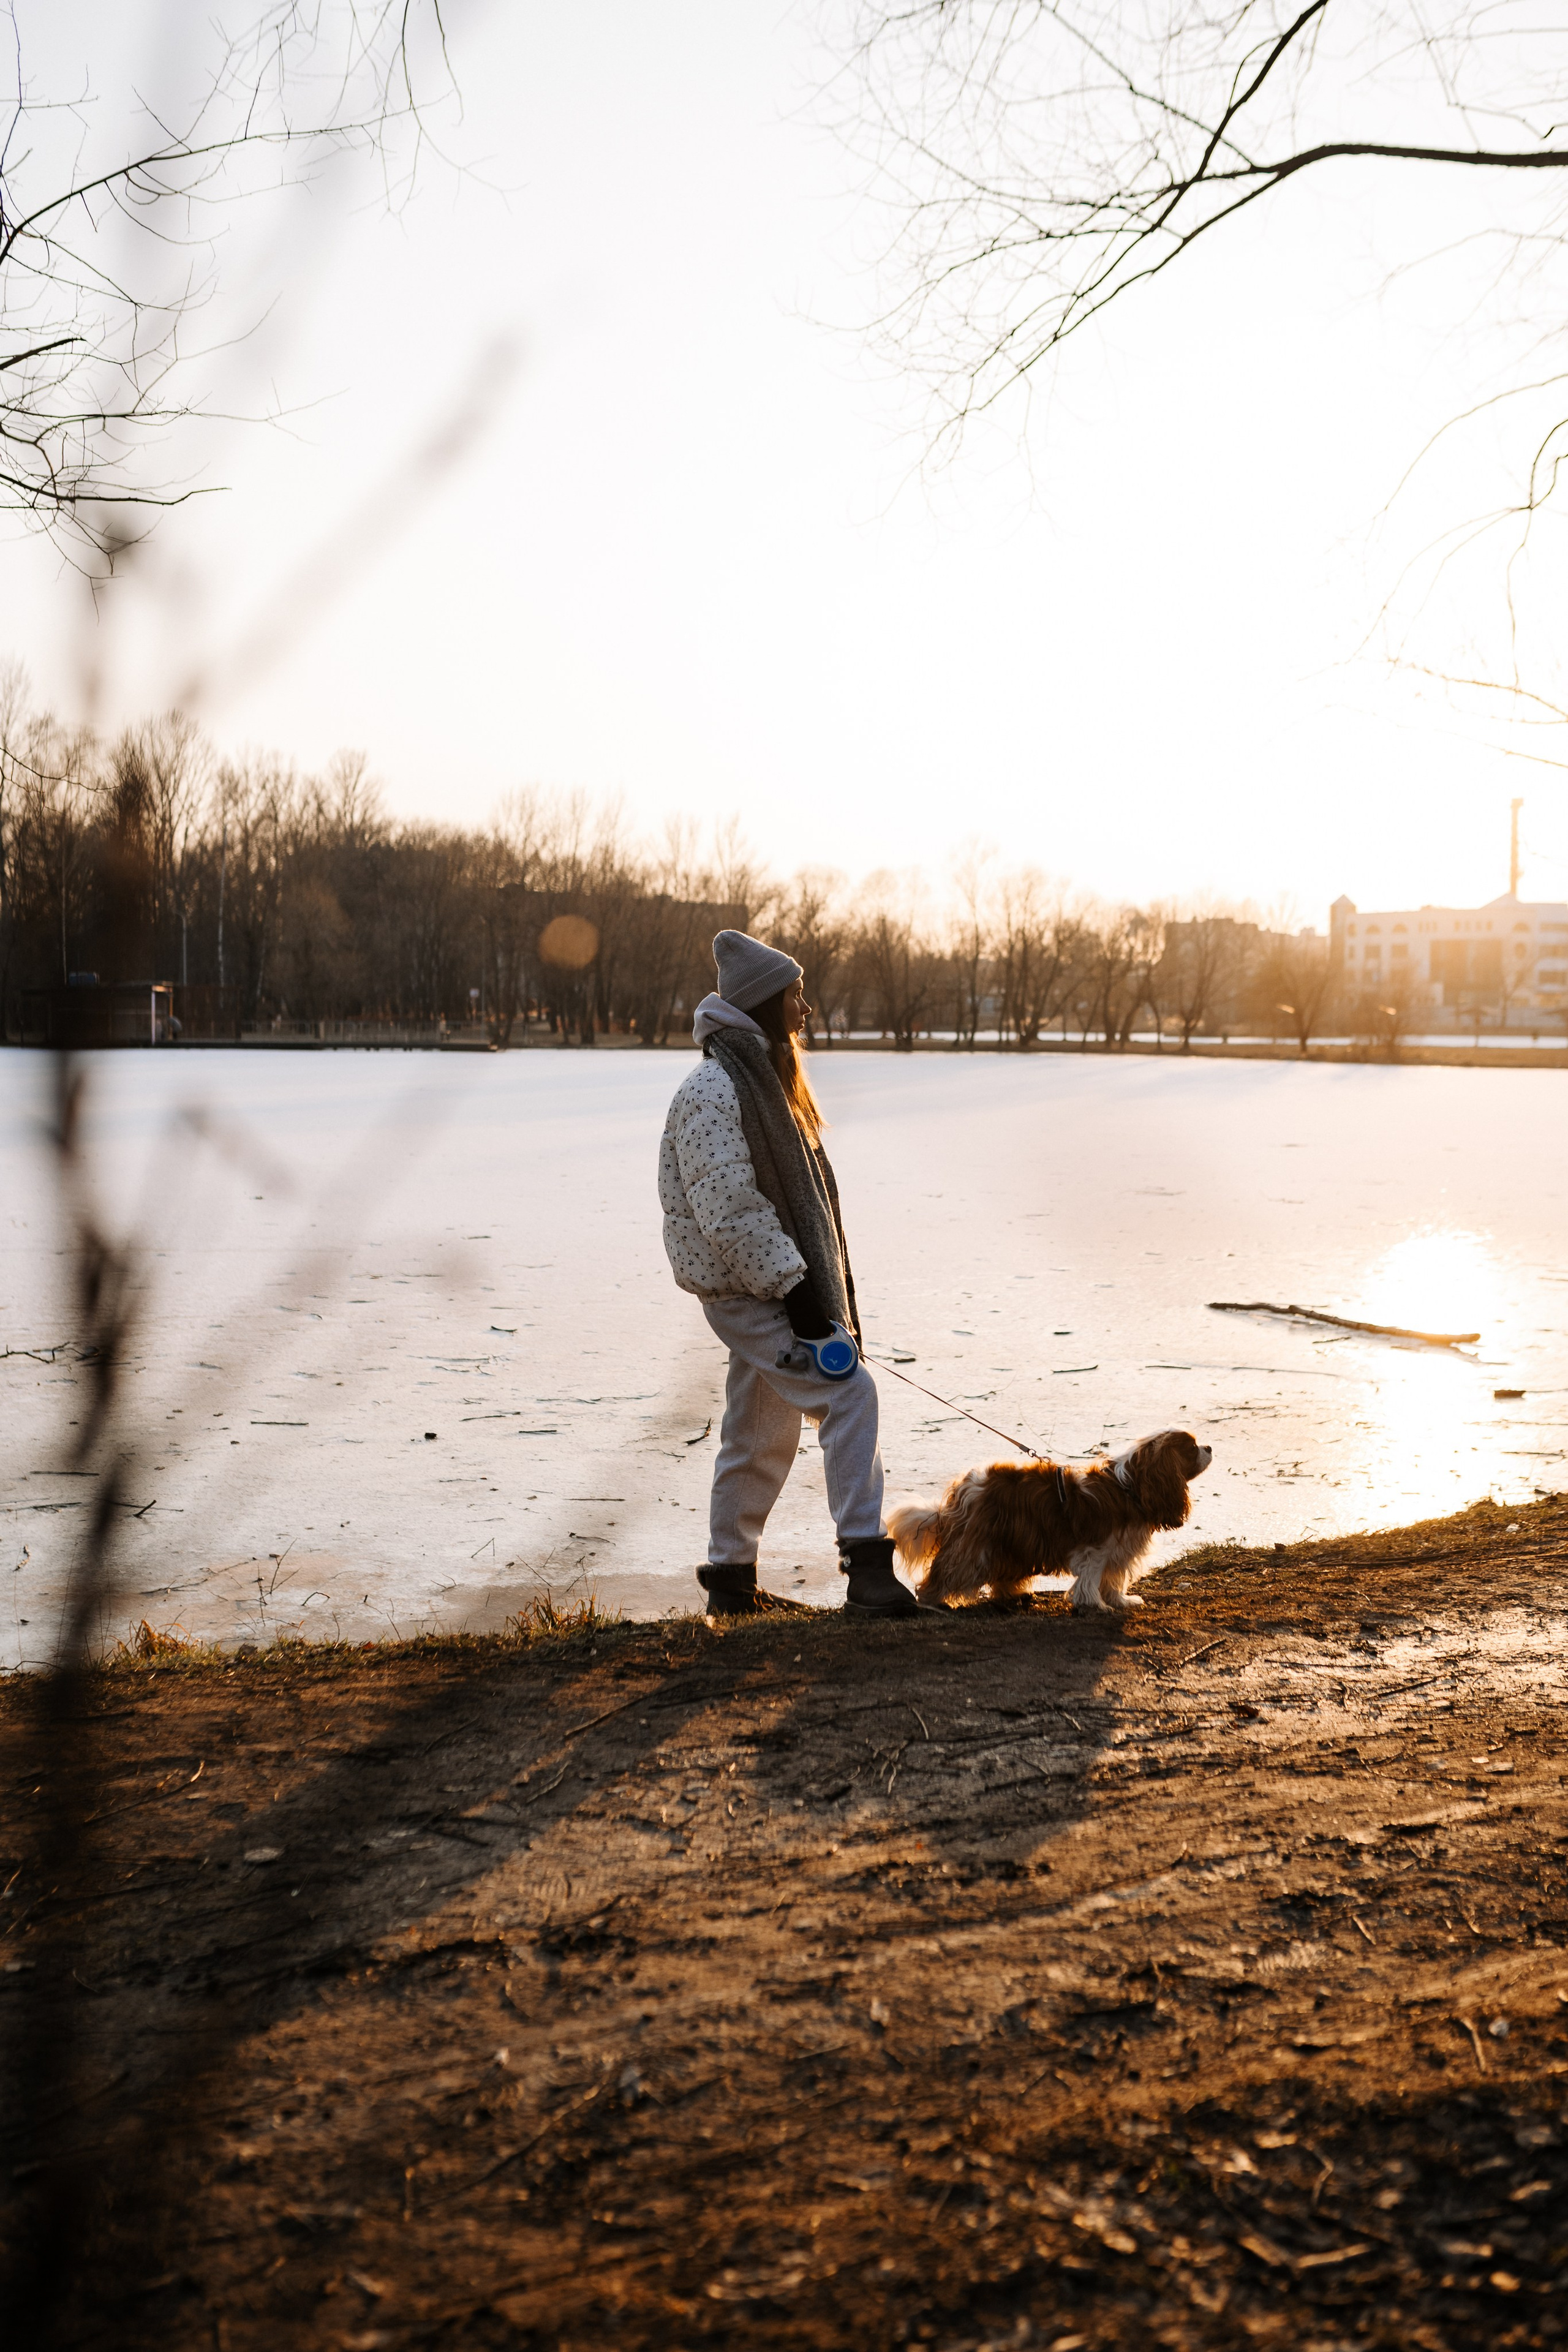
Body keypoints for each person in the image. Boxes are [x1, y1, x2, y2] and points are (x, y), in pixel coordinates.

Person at [658, 929, 922, 1619]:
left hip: (765, 1286)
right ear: (765, 1003)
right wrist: (800, 1297)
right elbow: (729, 1211)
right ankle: (866, 1568)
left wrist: (799, 1290)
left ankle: (731, 1586)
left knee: (758, 1433)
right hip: (750, 1292)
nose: (805, 1008)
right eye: (795, 996)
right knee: (850, 1393)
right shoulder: (716, 1089)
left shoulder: (762, 1085)